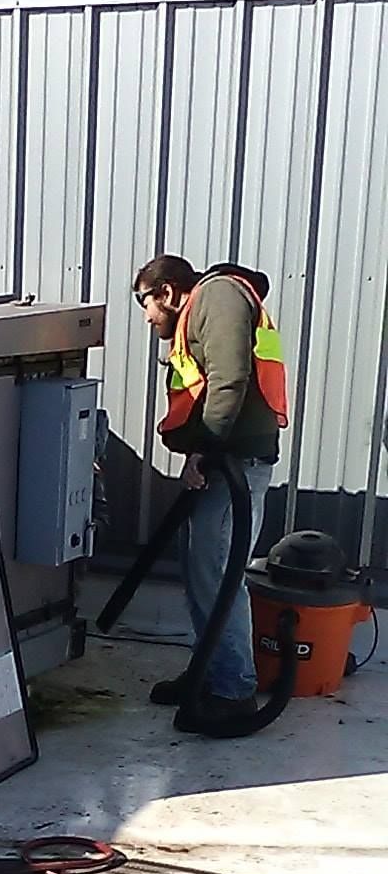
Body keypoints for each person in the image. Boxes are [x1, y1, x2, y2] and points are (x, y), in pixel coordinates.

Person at [133, 252, 288, 726]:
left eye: (146, 303)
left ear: (168, 291)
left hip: (234, 462)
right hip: (223, 462)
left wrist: (206, 448)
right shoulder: (199, 310)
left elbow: (230, 377)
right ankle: (209, 672)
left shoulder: (216, 295)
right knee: (202, 573)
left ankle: (234, 690)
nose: (146, 316)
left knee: (219, 575)